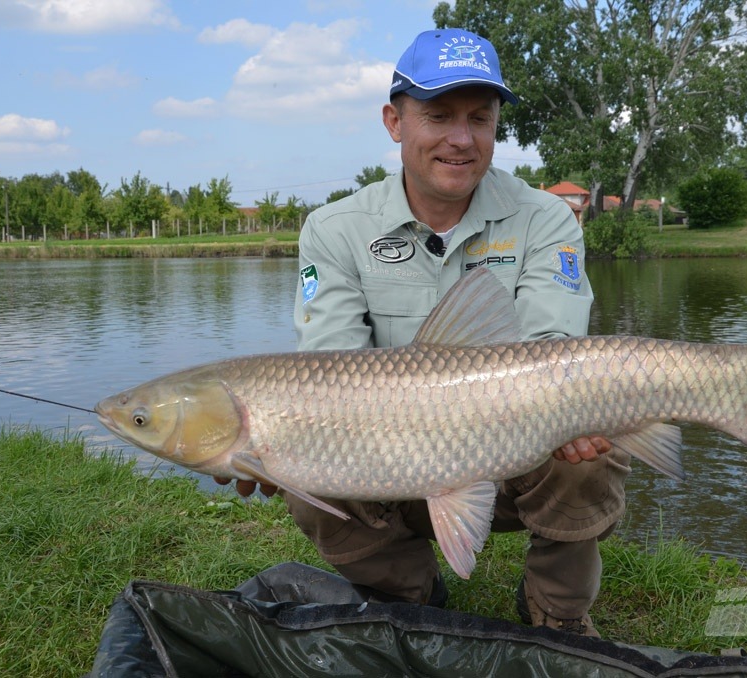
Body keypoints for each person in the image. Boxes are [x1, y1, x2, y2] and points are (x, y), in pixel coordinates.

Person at [218, 27, 630, 638]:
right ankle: (412, 595)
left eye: (480, 119)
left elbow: (553, 353)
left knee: (591, 453)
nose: (461, 139)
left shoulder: (545, 217)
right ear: (395, 121)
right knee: (304, 473)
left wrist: (576, 410)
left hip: (518, 440)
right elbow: (327, 374)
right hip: (383, 458)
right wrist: (265, 438)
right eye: (438, 115)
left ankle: (556, 609)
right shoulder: (335, 230)